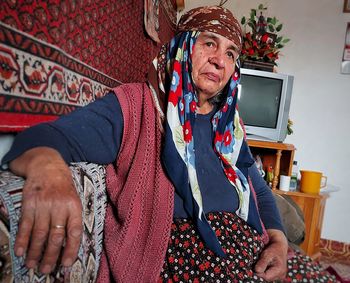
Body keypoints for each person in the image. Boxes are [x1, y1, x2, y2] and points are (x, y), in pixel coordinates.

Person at [1, 6, 335, 283]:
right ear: (183, 46)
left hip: (252, 248)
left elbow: (258, 188)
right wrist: (49, 171)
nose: (220, 60)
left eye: (230, 52)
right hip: (186, 257)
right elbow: (44, 138)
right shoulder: (137, 106)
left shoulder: (230, 125)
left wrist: (276, 239)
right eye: (209, 44)